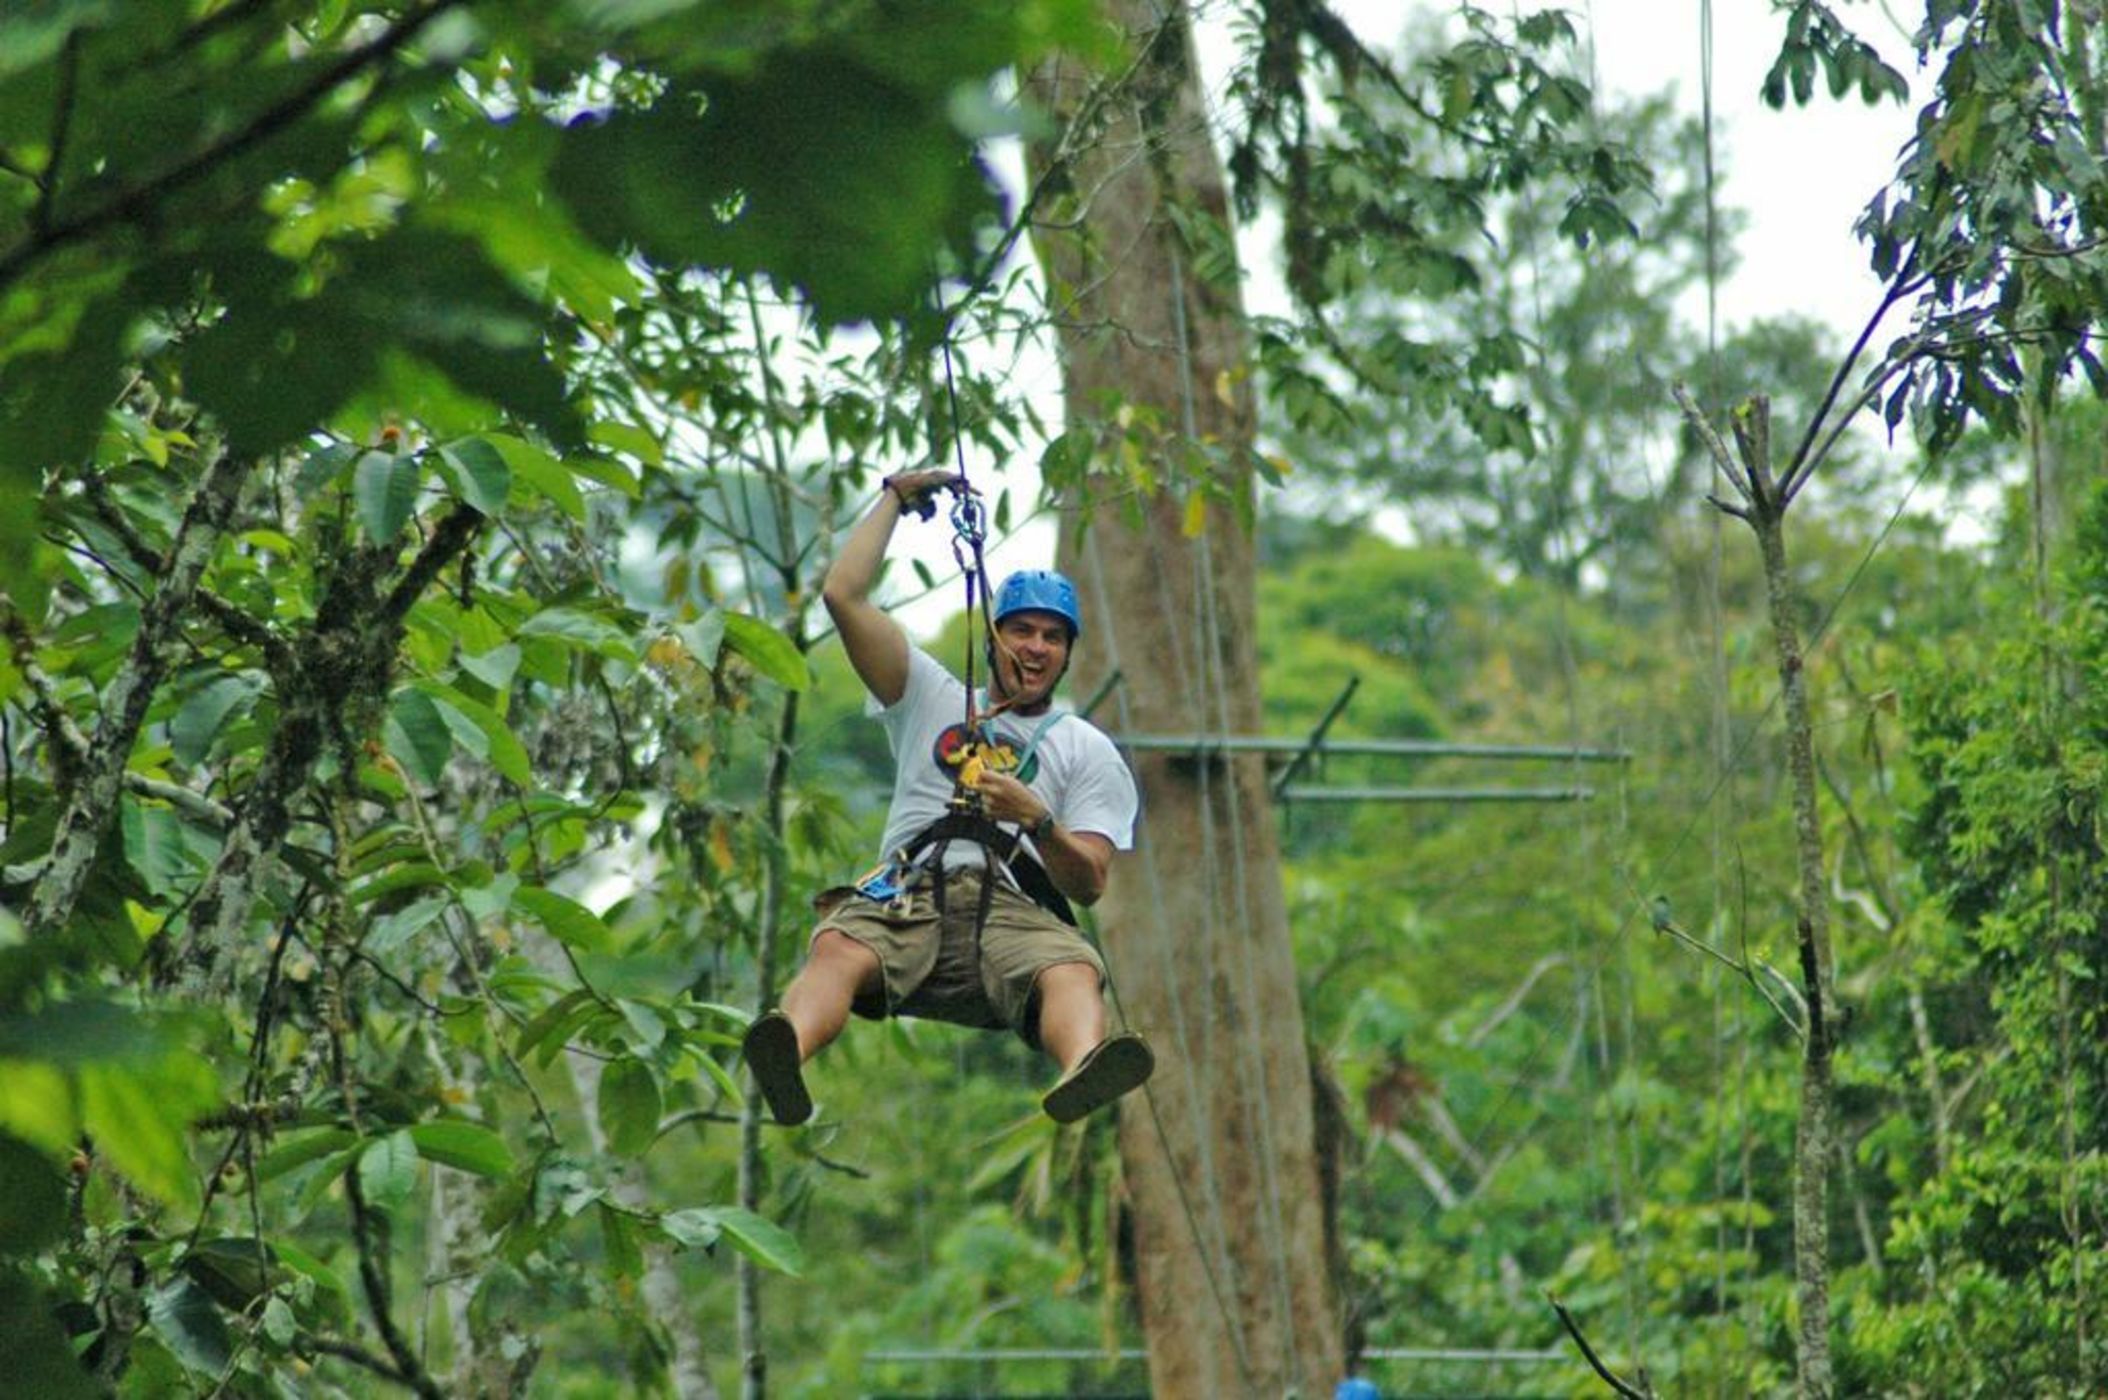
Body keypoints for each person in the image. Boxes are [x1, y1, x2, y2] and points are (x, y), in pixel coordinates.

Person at [741, 467, 1153, 1126]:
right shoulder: (928, 695)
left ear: (1069, 653)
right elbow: (844, 596)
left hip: (1013, 911)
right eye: (1022, 631)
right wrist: (896, 499)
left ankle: (1083, 1065)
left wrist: (1037, 821)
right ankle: (789, 1047)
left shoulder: (1085, 748)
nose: (1036, 647)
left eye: (1053, 637)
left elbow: (1091, 883)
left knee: (1073, 966)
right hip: (911, 894)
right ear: (995, 637)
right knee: (841, 945)